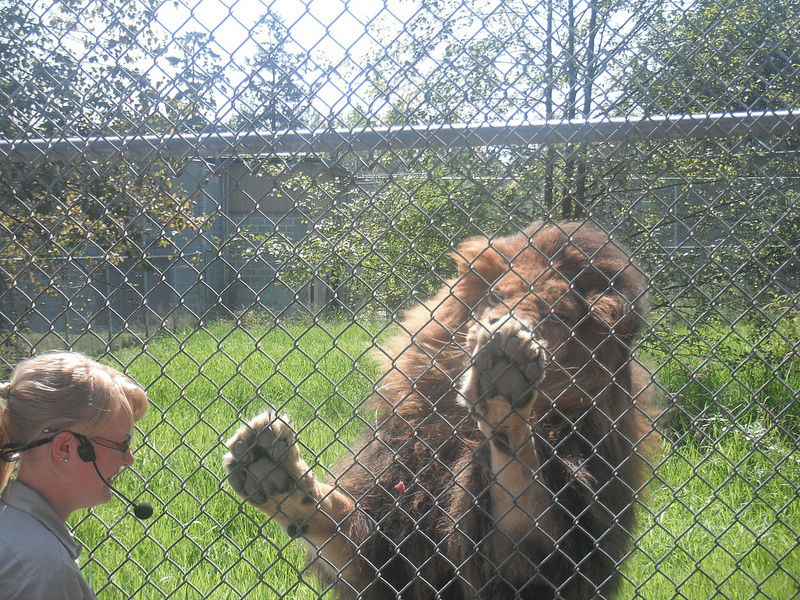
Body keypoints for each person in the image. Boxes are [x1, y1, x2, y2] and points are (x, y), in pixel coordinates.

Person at [0, 351, 148, 600]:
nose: (129, 460)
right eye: (121, 444)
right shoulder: (44, 570)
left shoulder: (17, 533)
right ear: (65, 449)